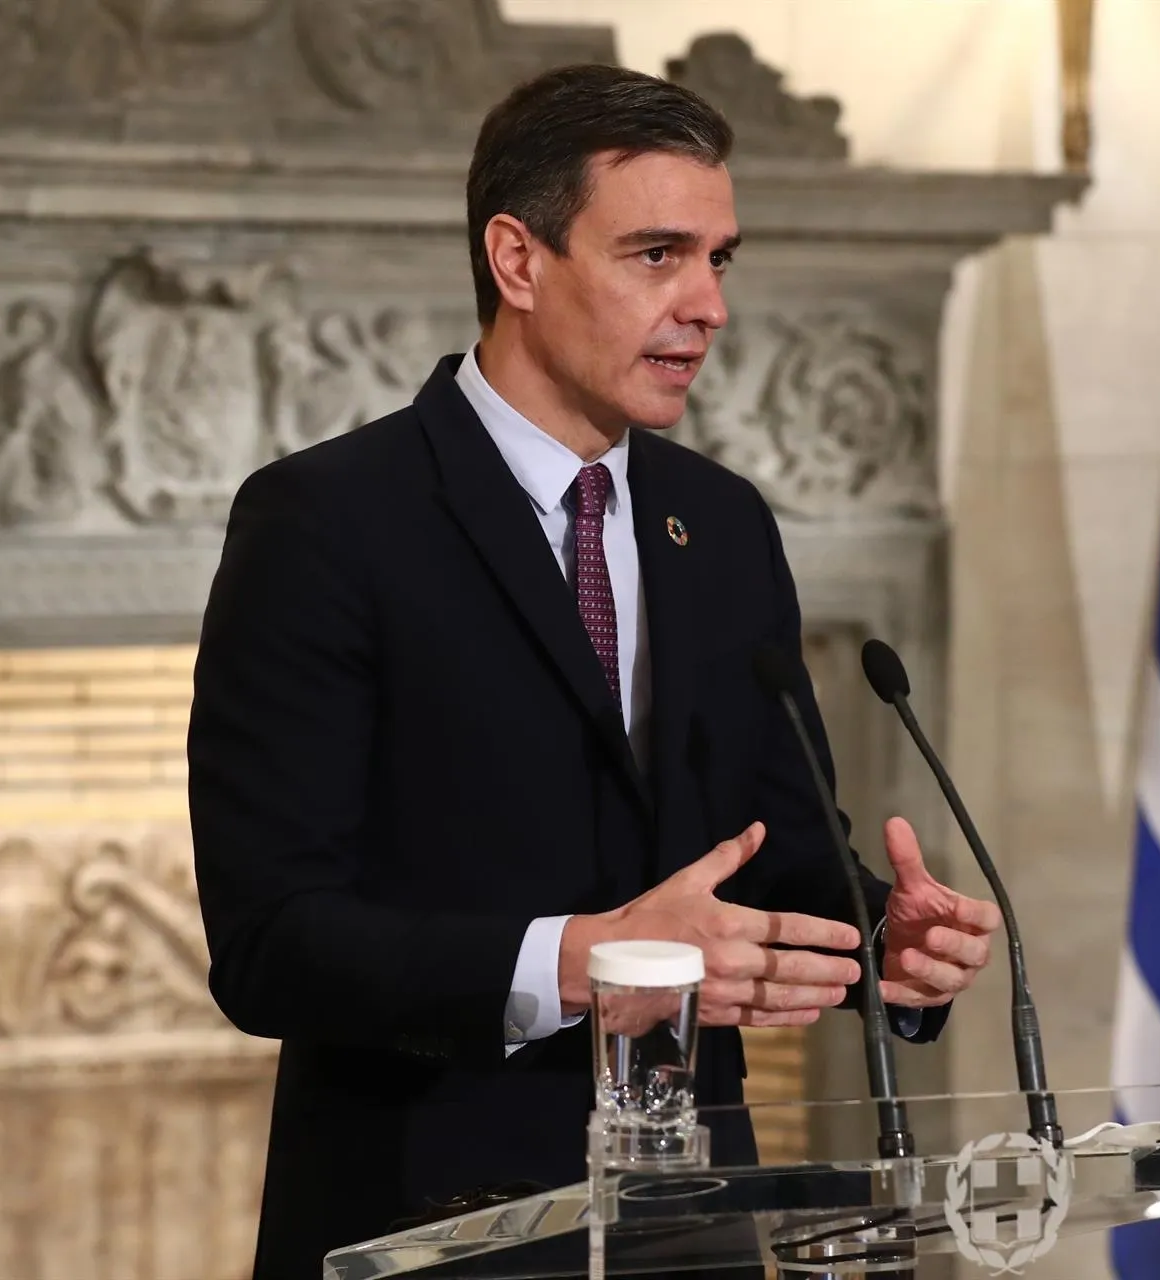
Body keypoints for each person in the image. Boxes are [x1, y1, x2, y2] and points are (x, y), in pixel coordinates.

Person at [187, 62, 1003, 1279]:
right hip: (427, 1228)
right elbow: (272, 941)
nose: (707, 304)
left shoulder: (724, 526)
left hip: (697, 1233)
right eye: (657, 254)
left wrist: (879, 941)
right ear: (518, 261)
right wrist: (586, 960)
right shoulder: (326, 521)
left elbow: (771, 851)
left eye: (719, 258)